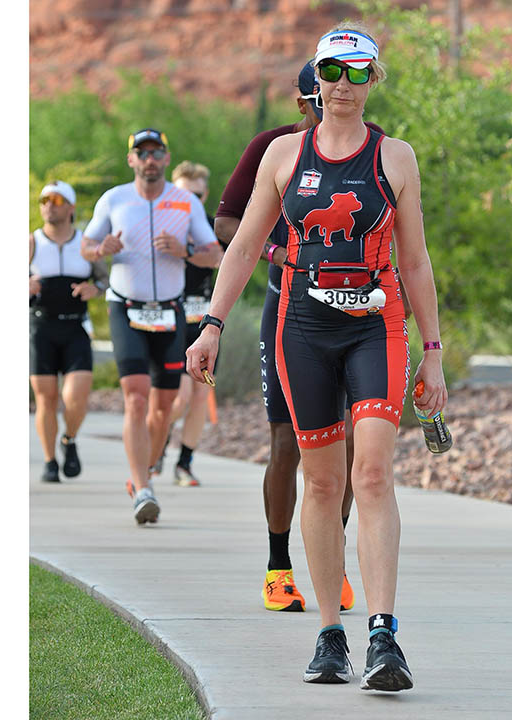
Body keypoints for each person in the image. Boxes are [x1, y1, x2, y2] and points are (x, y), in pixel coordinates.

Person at [189, 24, 445, 691]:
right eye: (333, 71)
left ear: (374, 81)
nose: (344, 86)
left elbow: (415, 259)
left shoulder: (397, 158)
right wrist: (212, 325)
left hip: (377, 326)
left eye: (359, 74)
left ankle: (384, 636)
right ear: (315, 79)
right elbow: (243, 247)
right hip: (301, 323)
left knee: (373, 475)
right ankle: (330, 633)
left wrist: (436, 353)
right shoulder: (281, 155)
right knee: (323, 483)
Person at [215, 60, 387, 614]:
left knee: (359, 447)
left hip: (359, 313)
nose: (330, 104)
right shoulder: (275, 147)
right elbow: (227, 227)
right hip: (289, 309)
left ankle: (329, 561)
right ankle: (277, 566)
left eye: (345, 85)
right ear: (303, 101)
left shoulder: (377, 148)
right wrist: (278, 253)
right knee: (289, 444)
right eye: (318, 97)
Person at [82, 128, 220, 524]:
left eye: (156, 152)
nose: (149, 159)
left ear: (166, 157)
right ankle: (142, 487)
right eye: (141, 153)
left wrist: (186, 251)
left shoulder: (184, 202)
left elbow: (215, 254)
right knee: (137, 397)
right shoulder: (115, 200)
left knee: (163, 408)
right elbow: (85, 246)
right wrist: (101, 250)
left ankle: (147, 470)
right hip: (125, 308)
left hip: (170, 311)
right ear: (132, 160)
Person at [30, 181, 108, 483]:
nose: (50, 204)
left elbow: (105, 281)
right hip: (41, 327)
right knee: (46, 398)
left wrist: (94, 289)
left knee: (76, 397)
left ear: (71, 208)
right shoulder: (31, 243)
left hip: (75, 326)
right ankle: (50, 461)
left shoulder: (85, 246)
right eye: (45, 199)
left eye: (58, 199)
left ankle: (69, 439)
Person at [158, 161, 225, 486]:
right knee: (178, 396)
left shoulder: (212, 228)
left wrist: (185, 251)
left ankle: (184, 463)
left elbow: (220, 259)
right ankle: (157, 446)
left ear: (206, 194)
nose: (192, 203)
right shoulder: (160, 225)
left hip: (204, 320)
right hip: (169, 319)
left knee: (200, 395)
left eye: (198, 196)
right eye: (185, 195)